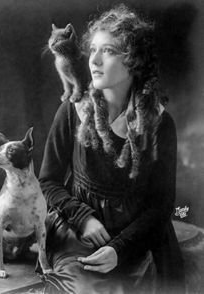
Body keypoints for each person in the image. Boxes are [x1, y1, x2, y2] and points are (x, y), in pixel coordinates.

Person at [38, 4, 186, 294]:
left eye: (107, 51)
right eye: (92, 49)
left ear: (133, 60)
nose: (93, 60)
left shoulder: (159, 123)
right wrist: (84, 219)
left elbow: (161, 204)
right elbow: (48, 181)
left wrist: (120, 248)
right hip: (79, 229)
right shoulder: (73, 110)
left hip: (138, 234)